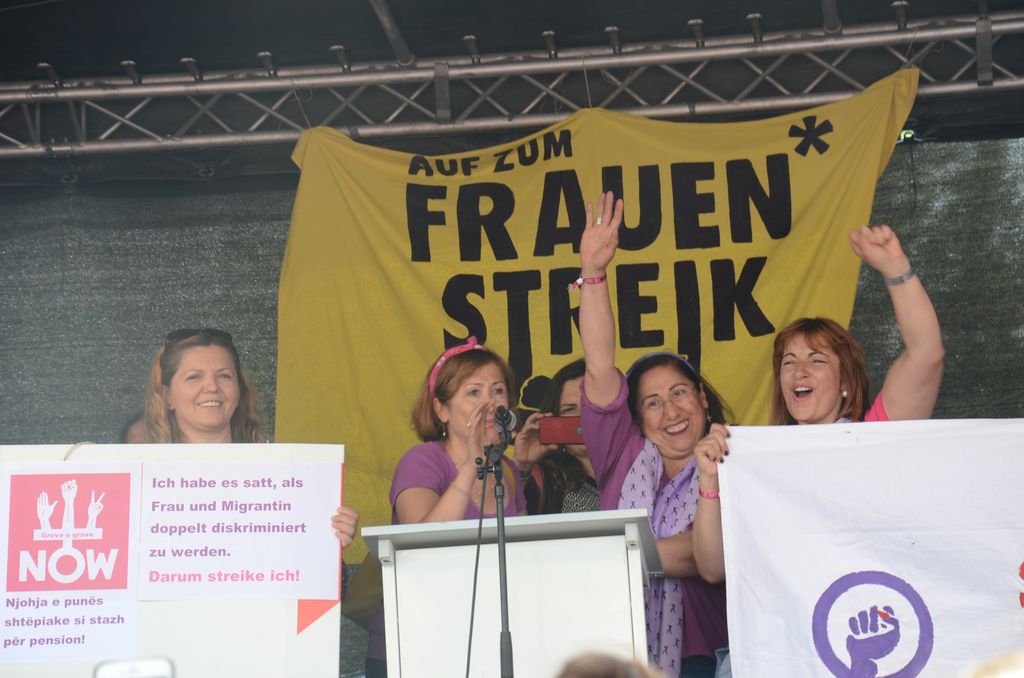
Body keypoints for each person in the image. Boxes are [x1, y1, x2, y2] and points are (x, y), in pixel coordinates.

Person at [692, 224, 945, 586]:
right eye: (788, 362)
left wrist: (895, 270)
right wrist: (709, 481)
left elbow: (926, 355)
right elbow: (713, 568)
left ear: (845, 382)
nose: (800, 371)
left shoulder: (874, 436)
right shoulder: (754, 462)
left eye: (818, 360)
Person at [578, 192, 730, 678]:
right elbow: (600, 365)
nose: (671, 411)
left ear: (703, 399)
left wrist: (611, 555)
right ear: (637, 420)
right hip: (622, 657)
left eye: (681, 393)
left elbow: (713, 559)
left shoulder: (734, 459)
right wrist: (594, 273)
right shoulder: (621, 455)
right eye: (652, 402)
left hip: (716, 659)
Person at [364, 337, 527, 677]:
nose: (489, 403)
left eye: (498, 391)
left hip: (485, 638)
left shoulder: (508, 471)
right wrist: (471, 464)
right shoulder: (422, 460)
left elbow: (520, 554)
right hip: (417, 641)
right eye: (474, 393)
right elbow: (421, 543)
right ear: (441, 409)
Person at [130, 328, 358, 546]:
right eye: (194, 377)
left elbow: (308, 573)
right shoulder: (138, 488)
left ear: (239, 391)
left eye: (224, 376)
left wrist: (329, 540)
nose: (211, 386)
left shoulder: (285, 480)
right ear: (167, 396)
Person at [514, 359, 600, 514]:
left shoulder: (638, 467)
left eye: (590, 405)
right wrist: (522, 467)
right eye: (569, 409)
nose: (582, 417)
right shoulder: (545, 478)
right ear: (555, 417)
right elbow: (507, 528)